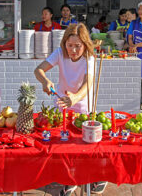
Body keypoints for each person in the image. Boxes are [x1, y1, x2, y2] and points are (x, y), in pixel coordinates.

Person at [34, 23, 107, 195]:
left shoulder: (89, 57)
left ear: (85, 45)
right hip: (61, 104)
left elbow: (88, 83)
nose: (73, 50)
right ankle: (69, 178)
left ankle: (95, 177)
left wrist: (75, 97)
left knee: (84, 146)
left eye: (77, 46)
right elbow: (38, 70)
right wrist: (45, 81)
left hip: (82, 106)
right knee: (62, 144)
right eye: (70, 45)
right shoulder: (60, 53)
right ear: (65, 44)